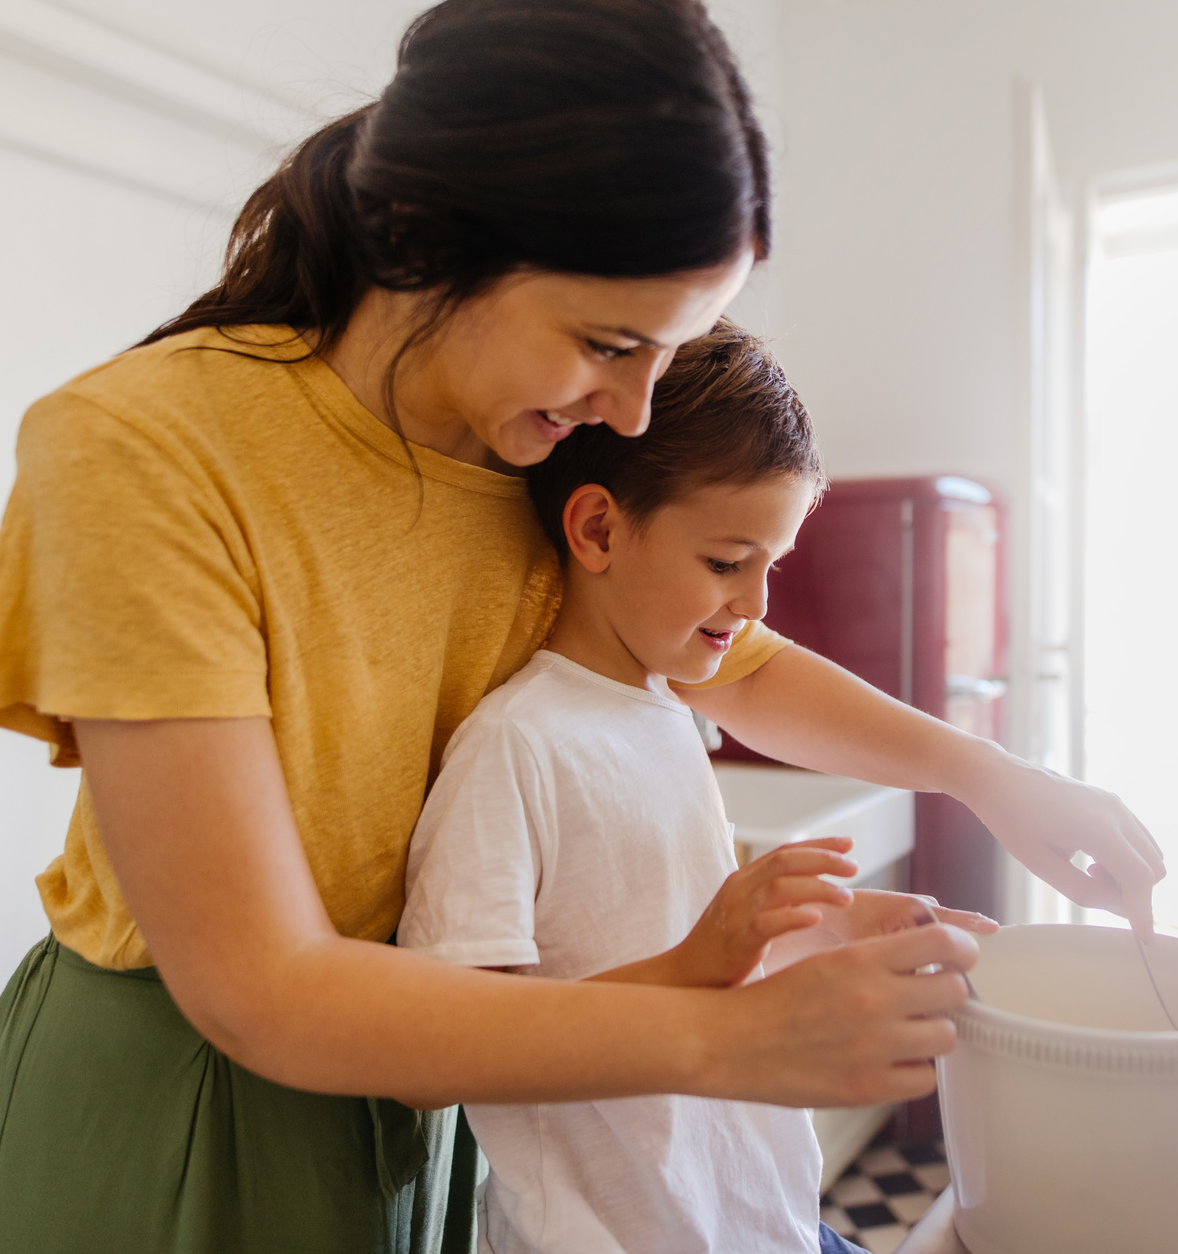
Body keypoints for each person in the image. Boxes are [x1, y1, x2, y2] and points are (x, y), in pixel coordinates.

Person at [0, 0, 1164, 1254]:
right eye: (608, 345)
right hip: (177, 1107)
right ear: (429, 243)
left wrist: (989, 776)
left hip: (422, 1073)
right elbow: (264, 989)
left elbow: (731, 661)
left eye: (668, 355)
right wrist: (733, 1033)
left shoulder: (527, 454)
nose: (631, 411)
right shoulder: (144, 448)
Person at [399, 324, 998, 1254]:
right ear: (597, 528)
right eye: (726, 563)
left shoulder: (668, 713)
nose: (758, 604)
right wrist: (700, 963)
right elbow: (446, 1053)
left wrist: (842, 924)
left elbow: (664, 931)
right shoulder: (514, 748)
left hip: (763, 1225)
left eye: (772, 565)